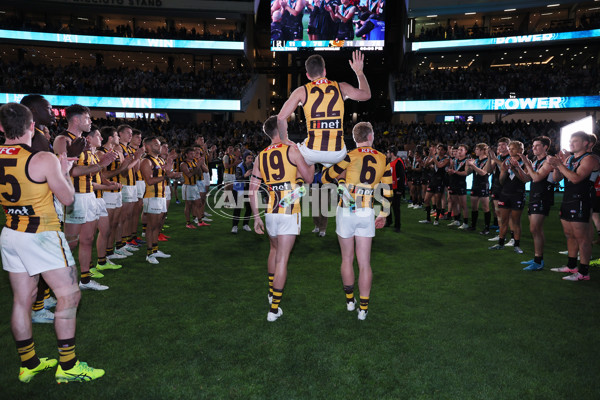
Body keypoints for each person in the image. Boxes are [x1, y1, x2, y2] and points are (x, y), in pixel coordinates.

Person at [0, 102, 104, 383]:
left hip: (11, 232)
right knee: (69, 296)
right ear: (32, 127)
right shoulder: (41, 158)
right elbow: (68, 198)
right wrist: (64, 171)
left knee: (22, 300)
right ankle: (68, 367)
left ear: (1, 128)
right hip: (42, 233)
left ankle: (28, 363)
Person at [321, 121, 393, 320]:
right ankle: (363, 308)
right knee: (364, 262)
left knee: (347, 259)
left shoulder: (349, 156)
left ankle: (350, 301)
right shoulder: (383, 159)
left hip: (346, 210)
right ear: (370, 136)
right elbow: (387, 191)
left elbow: (325, 178)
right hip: (366, 211)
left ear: (355, 138)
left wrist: (342, 180)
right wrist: (383, 214)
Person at [249, 116, 313, 322]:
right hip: (288, 211)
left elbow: (252, 190)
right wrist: (309, 158)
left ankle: (270, 293)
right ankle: (274, 309)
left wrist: (256, 217)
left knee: (273, 251)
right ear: (281, 129)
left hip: (270, 211)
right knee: (283, 259)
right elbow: (309, 179)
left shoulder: (260, 156)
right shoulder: (292, 150)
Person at [277, 51, 371, 168]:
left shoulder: (301, 91)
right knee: (341, 165)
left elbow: (281, 118)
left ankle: (300, 184)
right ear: (324, 71)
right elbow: (366, 94)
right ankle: (340, 182)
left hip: (312, 152)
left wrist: (284, 139)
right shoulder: (341, 87)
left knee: (291, 155)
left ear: (308, 75)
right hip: (337, 153)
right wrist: (359, 72)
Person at [20, 94, 57, 323]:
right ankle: (37, 308)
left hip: (25, 207)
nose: (52, 112)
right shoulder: (36, 137)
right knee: (43, 258)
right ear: (33, 110)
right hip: (39, 205)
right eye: (48, 108)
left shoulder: (34, 135)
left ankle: (40, 301)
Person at [548, 132, 600, 281]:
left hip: (581, 200)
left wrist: (559, 164)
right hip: (568, 200)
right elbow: (557, 179)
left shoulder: (590, 159)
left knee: (582, 238)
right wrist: (556, 167)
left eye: (575, 141)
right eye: (570, 141)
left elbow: (576, 178)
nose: (571, 143)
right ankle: (572, 266)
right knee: (569, 235)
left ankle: (584, 272)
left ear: (586, 143)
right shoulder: (570, 158)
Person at [140, 137, 181, 264]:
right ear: (147, 147)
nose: (159, 147)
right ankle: (149, 253)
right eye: (156, 145)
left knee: (157, 225)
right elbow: (150, 180)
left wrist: (171, 173)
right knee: (151, 227)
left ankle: (155, 249)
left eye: (159, 144)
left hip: (160, 195)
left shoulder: (158, 160)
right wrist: (166, 176)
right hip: (152, 196)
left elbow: (164, 175)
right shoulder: (146, 161)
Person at [488, 141, 530, 254]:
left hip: (518, 194)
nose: (510, 150)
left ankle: (516, 244)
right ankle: (500, 243)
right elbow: (501, 181)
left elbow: (525, 179)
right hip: (505, 194)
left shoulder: (526, 162)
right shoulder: (505, 161)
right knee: (503, 220)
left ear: (520, 150)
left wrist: (515, 169)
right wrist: (505, 171)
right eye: (510, 148)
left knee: (516, 221)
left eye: (513, 148)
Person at [520, 136, 554, 271]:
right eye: (533, 146)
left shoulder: (549, 161)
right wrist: (518, 167)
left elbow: (537, 177)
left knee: (535, 228)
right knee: (535, 230)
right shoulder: (535, 161)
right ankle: (537, 258)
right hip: (534, 196)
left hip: (543, 197)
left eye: (537, 146)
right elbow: (526, 179)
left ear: (545, 147)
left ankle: (538, 260)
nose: (533, 148)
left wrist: (526, 163)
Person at [487, 138, 511, 242]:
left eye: (503, 145)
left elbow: (505, 167)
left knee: (507, 215)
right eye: (499, 145)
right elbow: (488, 170)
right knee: (498, 214)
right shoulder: (498, 157)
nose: (500, 147)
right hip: (496, 187)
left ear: (508, 146)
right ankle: (501, 234)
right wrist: (489, 158)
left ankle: (513, 238)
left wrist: (494, 158)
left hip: (506, 188)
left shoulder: (510, 157)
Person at [419, 144, 449, 225]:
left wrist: (433, 156)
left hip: (440, 182)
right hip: (433, 181)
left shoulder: (446, 159)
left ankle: (436, 219)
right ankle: (428, 219)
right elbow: (425, 165)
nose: (440, 151)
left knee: (438, 201)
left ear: (445, 151)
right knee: (426, 200)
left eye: (442, 149)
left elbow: (439, 166)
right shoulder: (435, 157)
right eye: (438, 149)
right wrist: (429, 156)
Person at [466, 143, 491, 234]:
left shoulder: (488, 160)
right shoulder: (476, 161)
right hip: (475, 185)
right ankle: (473, 226)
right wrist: (468, 165)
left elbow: (483, 172)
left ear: (482, 150)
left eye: (477, 149)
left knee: (485, 207)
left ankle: (487, 228)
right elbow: (468, 172)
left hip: (483, 185)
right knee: (474, 207)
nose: (475, 151)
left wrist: (472, 165)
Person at [446, 144, 470, 229]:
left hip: (461, 184)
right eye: (458, 150)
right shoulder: (455, 160)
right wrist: (449, 171)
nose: (459, 151)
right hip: (453, 183)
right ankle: (456, 220)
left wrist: (454, 172)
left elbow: (465, 173)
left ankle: (465, 223)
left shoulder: (467, 161)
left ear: (465, 151)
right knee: (453, 203)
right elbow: (451, 170)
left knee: (463, 205)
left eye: (461, 150)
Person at [232, 150, 255, 234]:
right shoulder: (239, 166)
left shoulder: (254, 166)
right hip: (239, 189)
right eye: (249, 158)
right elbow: (238, 178)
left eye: (252, 158)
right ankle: (235, 226)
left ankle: (245, 224)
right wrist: (245, 175)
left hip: (249, 189)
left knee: (249, 208)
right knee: (238, 208)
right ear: (245, 158)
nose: (250, 160)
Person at [386, 147, 405, 232]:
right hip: (389, 187)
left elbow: (401, 177)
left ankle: (398, 226)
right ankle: (389, 221)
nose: (387, 154)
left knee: (396, 208)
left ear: (392, 153)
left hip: (396, 188)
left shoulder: (398, 162)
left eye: (388, 152)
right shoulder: (391, 162)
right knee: (387, 206)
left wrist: (400, 189)